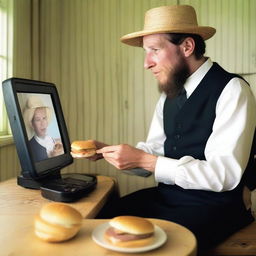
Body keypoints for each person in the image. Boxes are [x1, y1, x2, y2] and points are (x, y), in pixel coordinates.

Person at [82, 5, 256, 252]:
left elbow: (224, 175)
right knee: (102, 220)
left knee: (160, 246)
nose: (146, 63)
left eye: (154, 50)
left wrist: (146, 161)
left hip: (218, 205)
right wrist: (110, 153)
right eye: (145, 52)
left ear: (186, 47)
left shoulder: (233, 90)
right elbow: (154, 149)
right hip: (169, 197)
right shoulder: (169, 93)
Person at [23, 95, 64, 162]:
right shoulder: (30, 146)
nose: (43, 123)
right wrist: (53, 158)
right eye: (38, 119)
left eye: (44, 118)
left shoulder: (50, 138)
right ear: (32, 124)